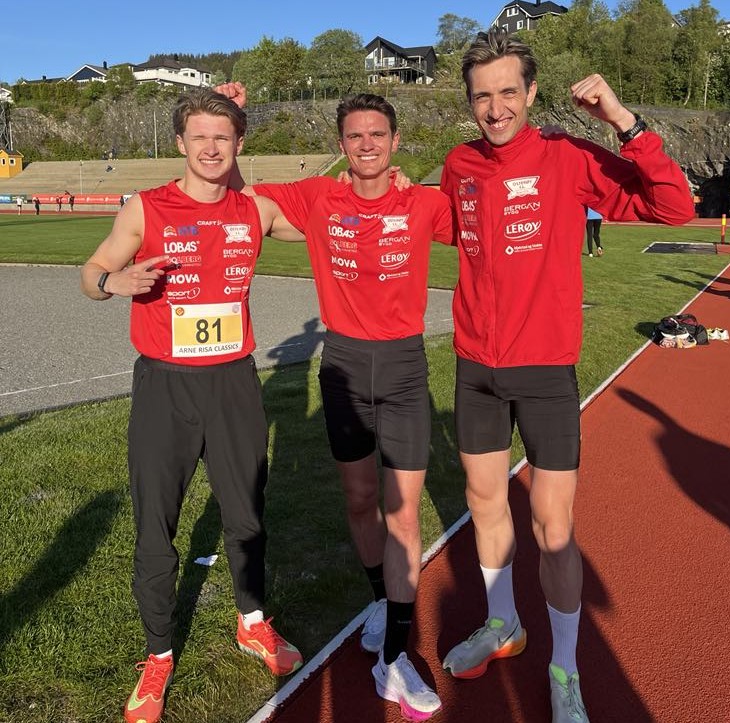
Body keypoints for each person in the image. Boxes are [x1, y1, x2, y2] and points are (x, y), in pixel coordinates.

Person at [438, 28, 694, 723]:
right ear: (470, 101)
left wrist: (623, 122)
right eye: (482, 96)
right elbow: (445, 227)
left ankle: (566, 669)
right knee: (484, 502)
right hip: (476, 367)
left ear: (531, 92)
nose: (495, 108)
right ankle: (503, 623)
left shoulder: (566, 156)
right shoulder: (459, 164)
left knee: (553, 526)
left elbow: (675, 208)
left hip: (545, 370)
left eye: (507, 92)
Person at [220, 83, 453, 721]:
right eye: (355, 135)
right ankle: (381, 601)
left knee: (402, 516)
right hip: (344, 366)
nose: (367, 144)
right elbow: (238, 198)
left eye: (377, 134)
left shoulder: (423, 201)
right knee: (359, 499)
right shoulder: (320, 197)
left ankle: (395, 659)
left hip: (403, 368)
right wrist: (233, 118)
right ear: (341, 144)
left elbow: (485, 230)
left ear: (396, 140)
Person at [80, 88, 305, 723]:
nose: (210, 148)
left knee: (247, 514)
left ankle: (252, 621)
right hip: (165, 387)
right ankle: (157, 653)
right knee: (157, 523)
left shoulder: (255, 209)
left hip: (233, 383)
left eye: (222, 137)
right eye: (199, 136)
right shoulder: (144, 207)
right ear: (180, 142)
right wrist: (114, 281)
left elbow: (329, 223)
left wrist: (378, 181)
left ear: (239, 145)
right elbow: (90, 273)